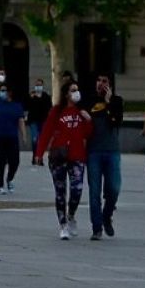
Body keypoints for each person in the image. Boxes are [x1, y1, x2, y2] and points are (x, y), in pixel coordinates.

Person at [31, 80, 93, 240]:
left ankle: (71, 214)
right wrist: (39, 152)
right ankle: (63, 224)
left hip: (77, 156)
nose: (76, 93)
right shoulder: (57, 111)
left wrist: (88, 120)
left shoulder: (82, 112)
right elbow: (46, 132)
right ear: (66, 94)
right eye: (73, 90)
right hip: (59, 156)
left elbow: (88, 134)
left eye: (77, 90)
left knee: (77, 189)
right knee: (60, 192)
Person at [83, 73, 125, 239]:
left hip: (111, 150)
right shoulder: (88, 101)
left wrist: (108, 103)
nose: (101, 84)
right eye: (99, 81)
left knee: (114, 188)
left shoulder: (116, 101)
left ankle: (107, 215)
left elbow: (116, 121)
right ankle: (97, 227)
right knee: (94, 191)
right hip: (93, 151)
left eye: (105, 81)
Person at [0, 81, 28, 194]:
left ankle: (10, 178)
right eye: (1, 90)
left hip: (12, 137)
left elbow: (21, 121)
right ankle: (0, 185)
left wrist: (23, 135)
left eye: (4, 90)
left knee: (15, 161)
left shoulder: (17, 106)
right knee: (0, 162)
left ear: (10, 92)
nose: (2, 93)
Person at [25, 78, 53, 144]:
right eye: (37, 85)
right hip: (33, 120)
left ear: (42, 86)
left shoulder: (46, 96)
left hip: (43, 120)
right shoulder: (31, 96)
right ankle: (35, 153)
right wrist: (31, 98)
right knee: (35, 137)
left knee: (41, 137)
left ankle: (39, 153)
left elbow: (49, 107)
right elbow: (27, 107)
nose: (38, 87)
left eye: (40, 85)